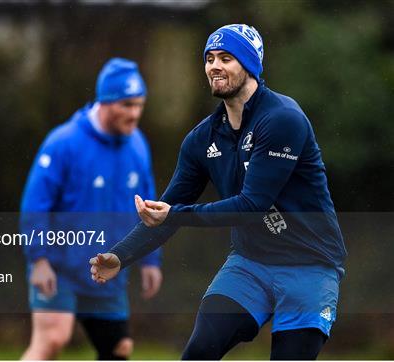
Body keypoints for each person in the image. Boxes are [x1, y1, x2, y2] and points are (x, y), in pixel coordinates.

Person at [90, 24, 347, 360]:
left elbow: (253, 205)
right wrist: (120, 256)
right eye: (209, 58)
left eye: (226, 58)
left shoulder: (283, 120)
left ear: (250, 65)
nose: (214, 66)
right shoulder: (202, 139)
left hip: (310, 265)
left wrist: (176, 214)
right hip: (250, 266)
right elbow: (165, 213)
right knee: (199, 352)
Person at [20, 58, 163, 360]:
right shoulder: (64, 142)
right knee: (52, 340)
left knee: (118, 349)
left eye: (140, 105)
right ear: (106, 101)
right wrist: (39, 259)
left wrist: (151, 260)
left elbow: (150, 207)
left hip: (108, 271)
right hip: (61, 268)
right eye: (127, 105)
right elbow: (35, 205)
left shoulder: (138, 145)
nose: (135, 114)